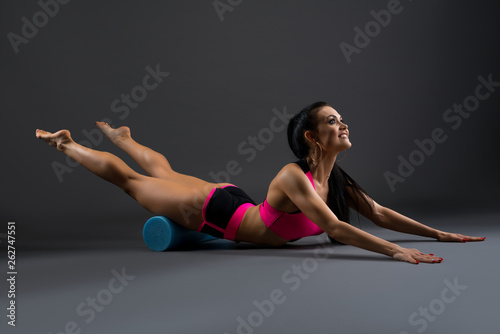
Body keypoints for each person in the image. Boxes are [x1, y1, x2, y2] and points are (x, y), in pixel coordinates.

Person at [35, 101, 485, 264]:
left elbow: (380, 213)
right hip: (213, 211)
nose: (343, 125)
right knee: (134, 183)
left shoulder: (336, 178)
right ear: (313, 137)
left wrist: (438, 233)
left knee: (164, 174)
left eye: (342, 119)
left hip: (233, 205)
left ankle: (126, 138)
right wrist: (396, 251)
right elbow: (337, 229)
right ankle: (67, 145)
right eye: (333, 121)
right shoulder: (296, 177)